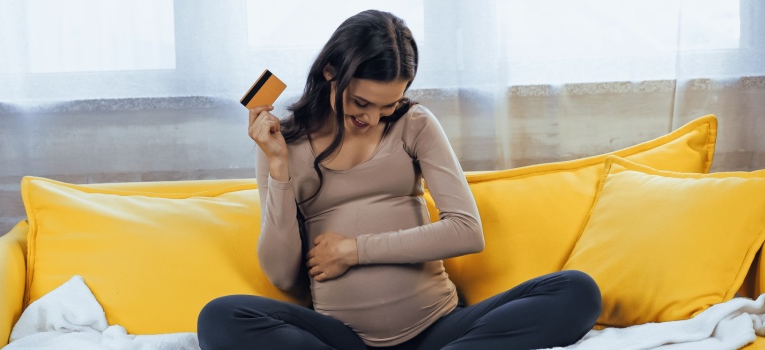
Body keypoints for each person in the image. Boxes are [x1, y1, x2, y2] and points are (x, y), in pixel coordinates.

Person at [198, 9, 601, 350]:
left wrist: (355, 250)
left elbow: (466, 232)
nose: (371, 118)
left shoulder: (414, 124)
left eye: (387, 105)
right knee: (219, 318)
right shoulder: (280, 144)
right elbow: (283, 276)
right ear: (329, 72)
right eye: (361, 103)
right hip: (343, 338)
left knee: (577, 291)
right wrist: (280, 170)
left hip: (440, 329)